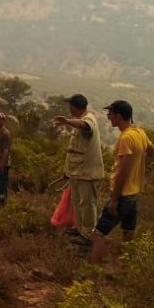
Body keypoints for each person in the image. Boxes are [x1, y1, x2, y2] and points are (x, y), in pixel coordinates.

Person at [90, 100, 154, 263]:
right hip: (134, 193)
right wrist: (140, 168)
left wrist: (114, 199)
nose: (108, 117)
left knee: (98, 233)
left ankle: (90, 273)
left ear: (119, 116)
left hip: (123, 195)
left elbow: (123, 171)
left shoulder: (126, 138)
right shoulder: (139, 132)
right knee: (128, 231)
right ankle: (126, 266)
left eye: (110, 114)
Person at [52, 94, 105, 247]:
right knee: (78, 203)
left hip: (87, 173)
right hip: (77, 172)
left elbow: (85, 125)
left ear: (75, 107)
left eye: (70, 106)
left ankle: (88, 236)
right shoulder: (81, 120)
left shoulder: (89, 119)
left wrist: (67, 121)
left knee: (87, 204)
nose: (69, 108)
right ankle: (80, 230)